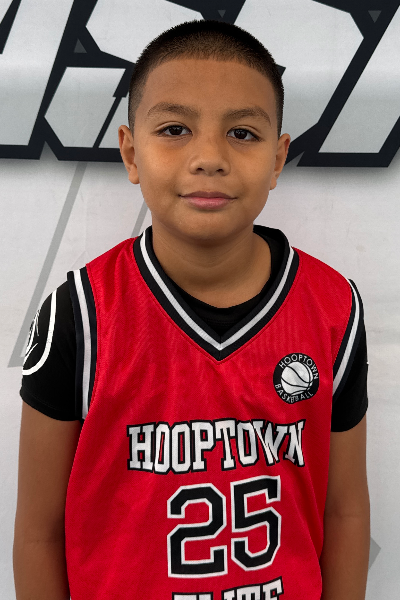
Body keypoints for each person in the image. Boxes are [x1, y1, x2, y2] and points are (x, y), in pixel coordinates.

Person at [13, 19, 370, 600]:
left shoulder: (333, 308)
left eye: (243, 133)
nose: (209, 157)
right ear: (131, 152)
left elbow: (346, 510)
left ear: (278, 159)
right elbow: (38, 532)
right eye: (175, 129)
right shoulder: (81, 314)